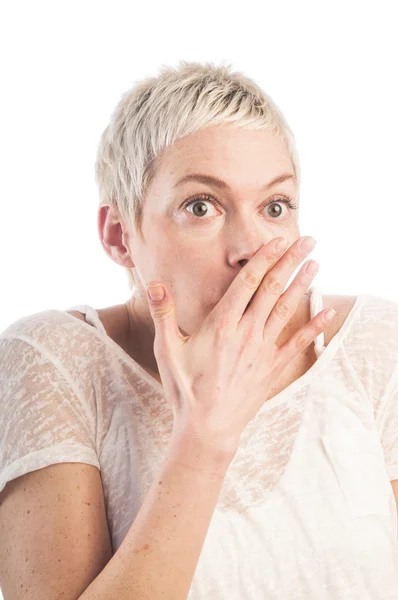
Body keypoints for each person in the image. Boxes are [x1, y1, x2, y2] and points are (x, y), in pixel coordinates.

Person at [1, 60, 398, 600]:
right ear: (120, 235)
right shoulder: (51, 360)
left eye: (275, 206)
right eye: (202, 206)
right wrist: (205, 437)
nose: (249, 249)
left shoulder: (376, 345)